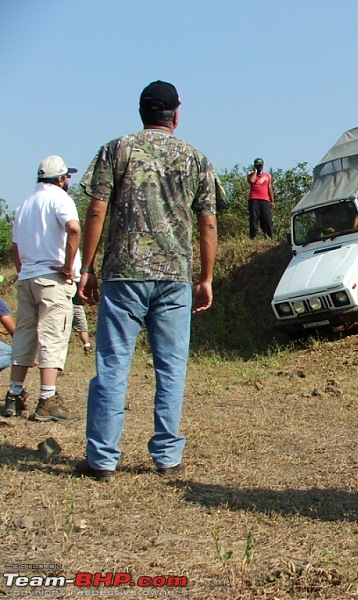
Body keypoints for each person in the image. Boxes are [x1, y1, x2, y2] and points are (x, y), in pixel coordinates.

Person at [76, 80, 225, 481]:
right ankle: (166, 455)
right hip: (175, 276)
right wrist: (206, 277)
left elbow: (95, 211)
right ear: (176, 114)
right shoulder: (196, 159)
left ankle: (103, 458)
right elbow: (208, 222)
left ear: (142, 112)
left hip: (123, 273)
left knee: (112, 364)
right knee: (171, 366)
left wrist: (86, 267)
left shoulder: (116, 149)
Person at [4, 156, 81, 422]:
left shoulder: (24, 205)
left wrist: (24, 269)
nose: (68, 180)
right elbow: (73, 228)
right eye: (66, 176)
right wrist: (68, 266)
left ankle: (14, 395)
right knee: (53, 335)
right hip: (52, 278)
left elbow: (16, 247)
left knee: (24, 334)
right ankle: (47, 399)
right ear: (60, 178)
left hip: (28, 278)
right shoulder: (60, 199)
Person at [247, 158, 275, 239]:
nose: (259, 167)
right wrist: (255, 172)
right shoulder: (250, 176)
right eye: (258, 166)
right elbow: (252, 181)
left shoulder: (267, 176)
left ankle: (269, 236)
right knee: (254, 219)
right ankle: (253, 237)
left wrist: (272, 201)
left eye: (260, 166)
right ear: (255, 166)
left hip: (265, 200)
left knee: (267, 219)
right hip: (254, 199)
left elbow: (270, 188)